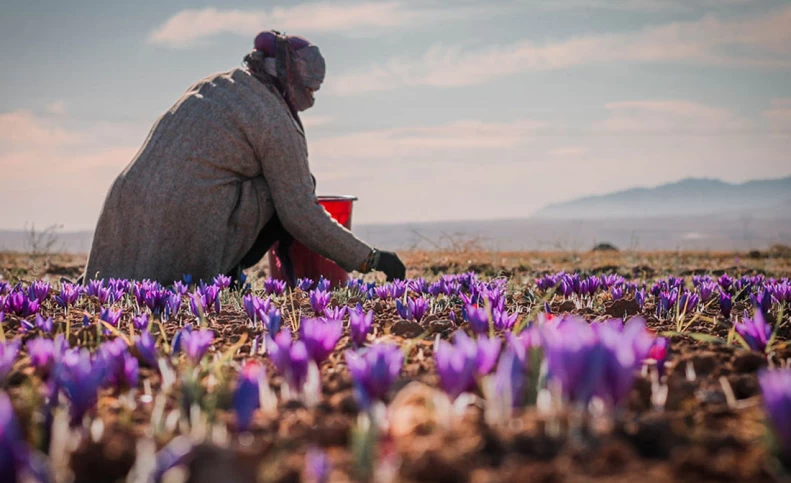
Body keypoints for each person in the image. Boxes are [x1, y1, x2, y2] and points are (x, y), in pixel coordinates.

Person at [83, 30, 406, 285]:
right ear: (289, 77)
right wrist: (371, 258)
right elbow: (300, 212)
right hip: (185, 226)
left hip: (121, 220)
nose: (310, 98)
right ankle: (228, 275)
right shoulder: (274, 118)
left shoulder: (215, 85)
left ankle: (207, 274)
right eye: (309, 88)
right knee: (293, 187)